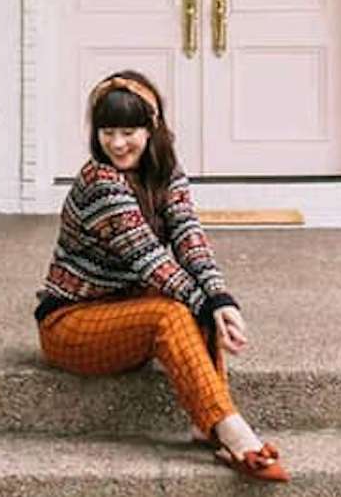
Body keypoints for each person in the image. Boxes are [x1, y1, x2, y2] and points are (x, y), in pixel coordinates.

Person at [35, 71, 289, 483]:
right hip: (70, 324)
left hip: (124, 312)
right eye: (107, 132)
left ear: (152, 128)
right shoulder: (99, 181)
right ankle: (233, 432)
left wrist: (221, 299)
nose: (117, 144)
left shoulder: (166, 171)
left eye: (129, 131)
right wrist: (205, 301)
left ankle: (205, 423)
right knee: (173, 310)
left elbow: (189, 238)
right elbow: (149, 259)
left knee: (195, 299)